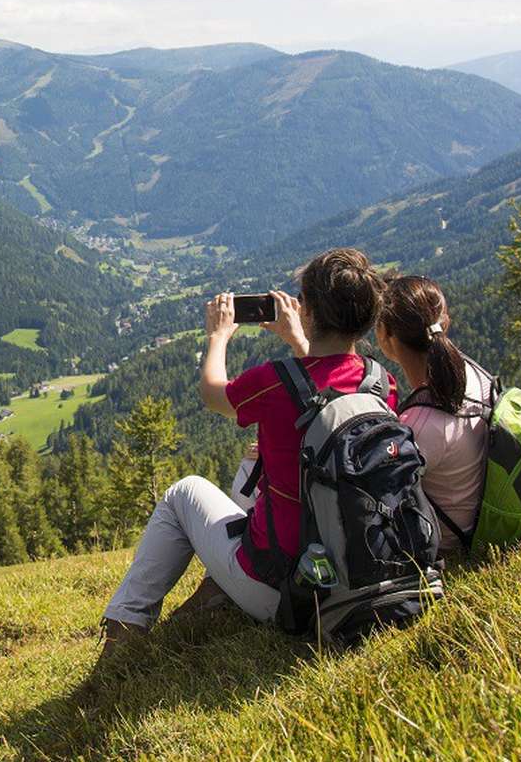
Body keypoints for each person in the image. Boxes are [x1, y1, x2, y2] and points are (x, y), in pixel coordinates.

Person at [98, 248, 394, 650]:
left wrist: (218, 337)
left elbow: (212, 394)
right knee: (249, 468)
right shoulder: (379, 384)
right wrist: (299, 339)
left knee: (182, 494)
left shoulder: (274, 382)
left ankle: (124, 632)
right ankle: (215, 591)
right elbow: (326, 394)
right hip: (355, 572)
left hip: (288, 590)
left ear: (308, 312)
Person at [375, 275, 489, 556]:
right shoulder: (473, 374)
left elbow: (382, 493)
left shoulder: (419, 425)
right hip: (479, 512)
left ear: (386, 335)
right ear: (444, 321)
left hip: (448, 543)